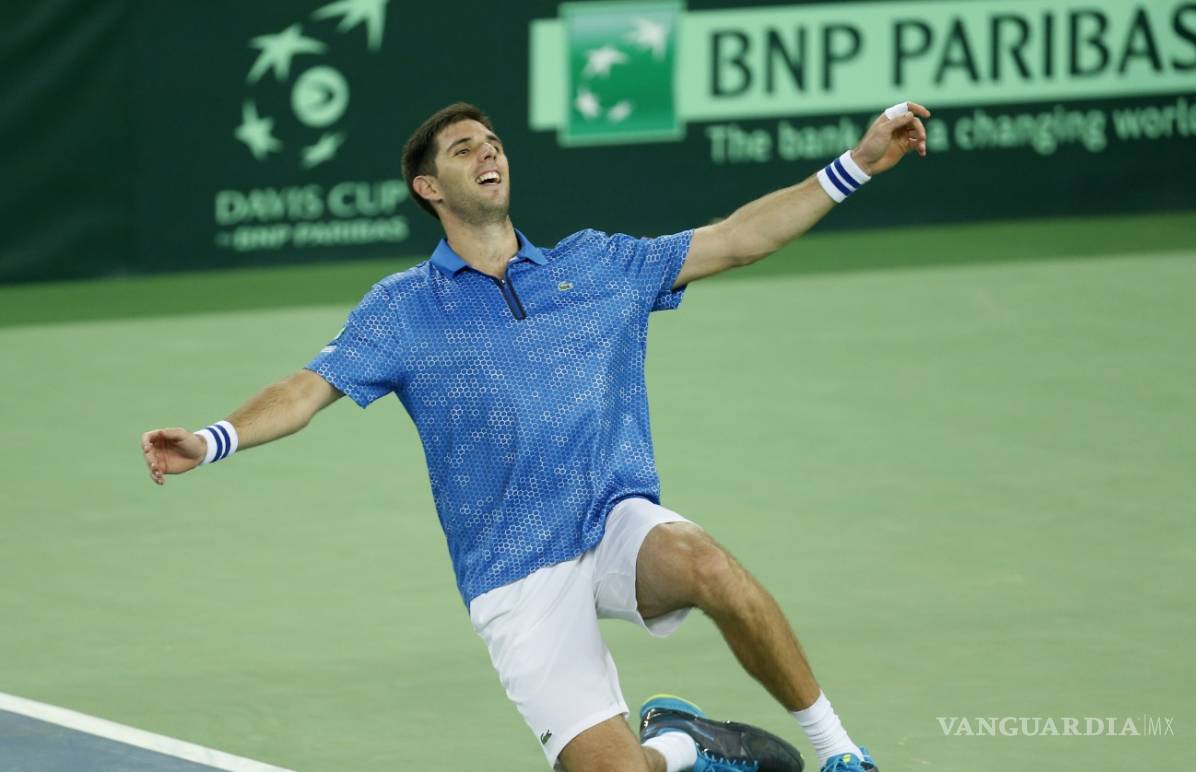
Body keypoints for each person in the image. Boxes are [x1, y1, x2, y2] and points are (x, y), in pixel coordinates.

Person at [142, 99, 929, 772]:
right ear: (429, 187)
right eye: (463, 149)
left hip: (611, 518)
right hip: (512, 571)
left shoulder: (598, 266)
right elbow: (304, 391)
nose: (487, 153)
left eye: (492, 143)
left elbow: (738, 237)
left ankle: (839, 751)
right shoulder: (401, 308)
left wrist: (857, 163)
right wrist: (213, 440)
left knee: (707, 564)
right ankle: (683, 746)